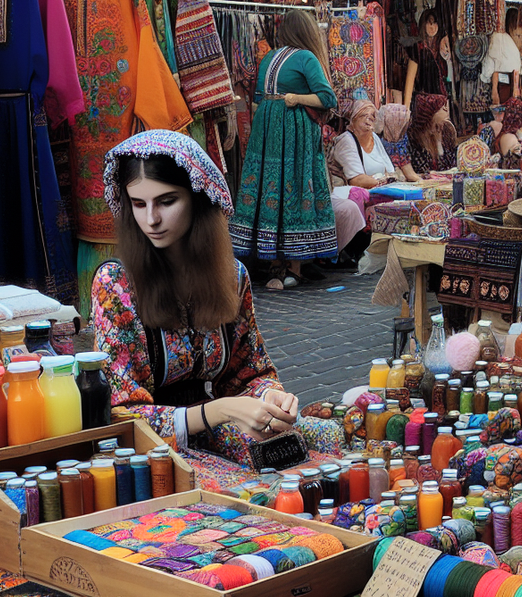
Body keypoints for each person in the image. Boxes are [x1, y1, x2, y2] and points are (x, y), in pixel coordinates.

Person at [91, 131, 342, 493]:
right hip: (151, 448)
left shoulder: (231, 276)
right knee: (247, 491)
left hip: (218, 424)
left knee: (327, 441)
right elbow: (123, 415)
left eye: (166, 201)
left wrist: (270, 397)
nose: (152, 219)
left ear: (198, 197)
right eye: (139, 204)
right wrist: (220, 411)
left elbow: (249, 371)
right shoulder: (116, 285)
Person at [229, 9, 338, 290]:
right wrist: (297, 99)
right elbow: (328, 98)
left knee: (272, 192)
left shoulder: (269, 58)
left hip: (267, 132)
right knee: (295, 188)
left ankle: (278, 264)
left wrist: (283, 105)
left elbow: (257, 100)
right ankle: (293, 267)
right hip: (293, 133)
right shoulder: (306, 58)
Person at [328, 100, 415, 268]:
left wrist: (388, 180)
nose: (369, 120)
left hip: (376, 186)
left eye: (372, 116)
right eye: (363, 116)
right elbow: (356, 179)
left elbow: (390, 169)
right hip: (347, 191)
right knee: (368, 197)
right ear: (353, 119)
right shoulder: (346, 140)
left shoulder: (374, 137)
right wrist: (384, 181)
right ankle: (355, 249)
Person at [403, 8, 452, 112]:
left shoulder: (443, 47)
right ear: (423, 25)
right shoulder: (418, 48)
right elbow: (410, 79)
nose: (432, 27)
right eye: (429, 23)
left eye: (435, 23)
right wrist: (406, 109)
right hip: (423, 103)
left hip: (442, 103)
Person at [482, 7, 522, 104]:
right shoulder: (500, 39)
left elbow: (516, 70)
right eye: (518, 35)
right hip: (501, 87)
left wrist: (517, 87)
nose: (521, 40)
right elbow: (496, 67)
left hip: (511, 86)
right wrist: (494, 91)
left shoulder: (513, 47)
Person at [409, 93, 458, 174]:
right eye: (442, 108)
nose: (447, 111)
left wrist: (439, 142)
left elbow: (449, 164)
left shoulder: (446, 131)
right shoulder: (414, 137)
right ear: (432, 113)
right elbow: (421, 169)